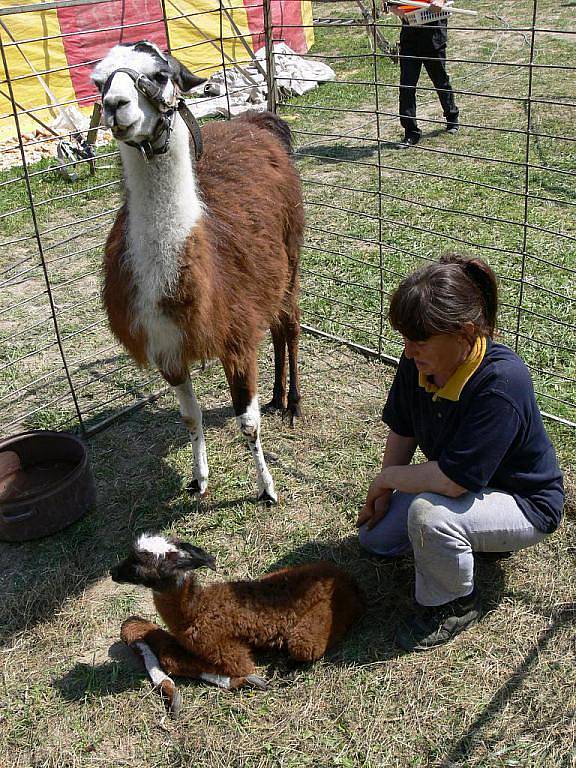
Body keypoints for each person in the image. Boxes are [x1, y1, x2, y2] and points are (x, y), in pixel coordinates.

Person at [356, 254, 564, 651]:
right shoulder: (417, 363)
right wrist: (383, 497)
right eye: (406, 339)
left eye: (419, 340)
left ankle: (452, 603)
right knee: (375, 539)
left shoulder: (502, 381)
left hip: (523, 502)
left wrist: (385, 481)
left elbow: (452, 483)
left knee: (429, 517)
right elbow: (403, 428)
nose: (408, 350)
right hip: (465, 485)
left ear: (465, 334)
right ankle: (470, 544)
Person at [389, 0, 459, 148]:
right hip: (410, 37)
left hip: (433, 35)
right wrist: (397, 10)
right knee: (407, 86)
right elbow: (392, 4)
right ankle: (411, 132)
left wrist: (440, 1)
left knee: (440, 79)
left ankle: (452, 117)